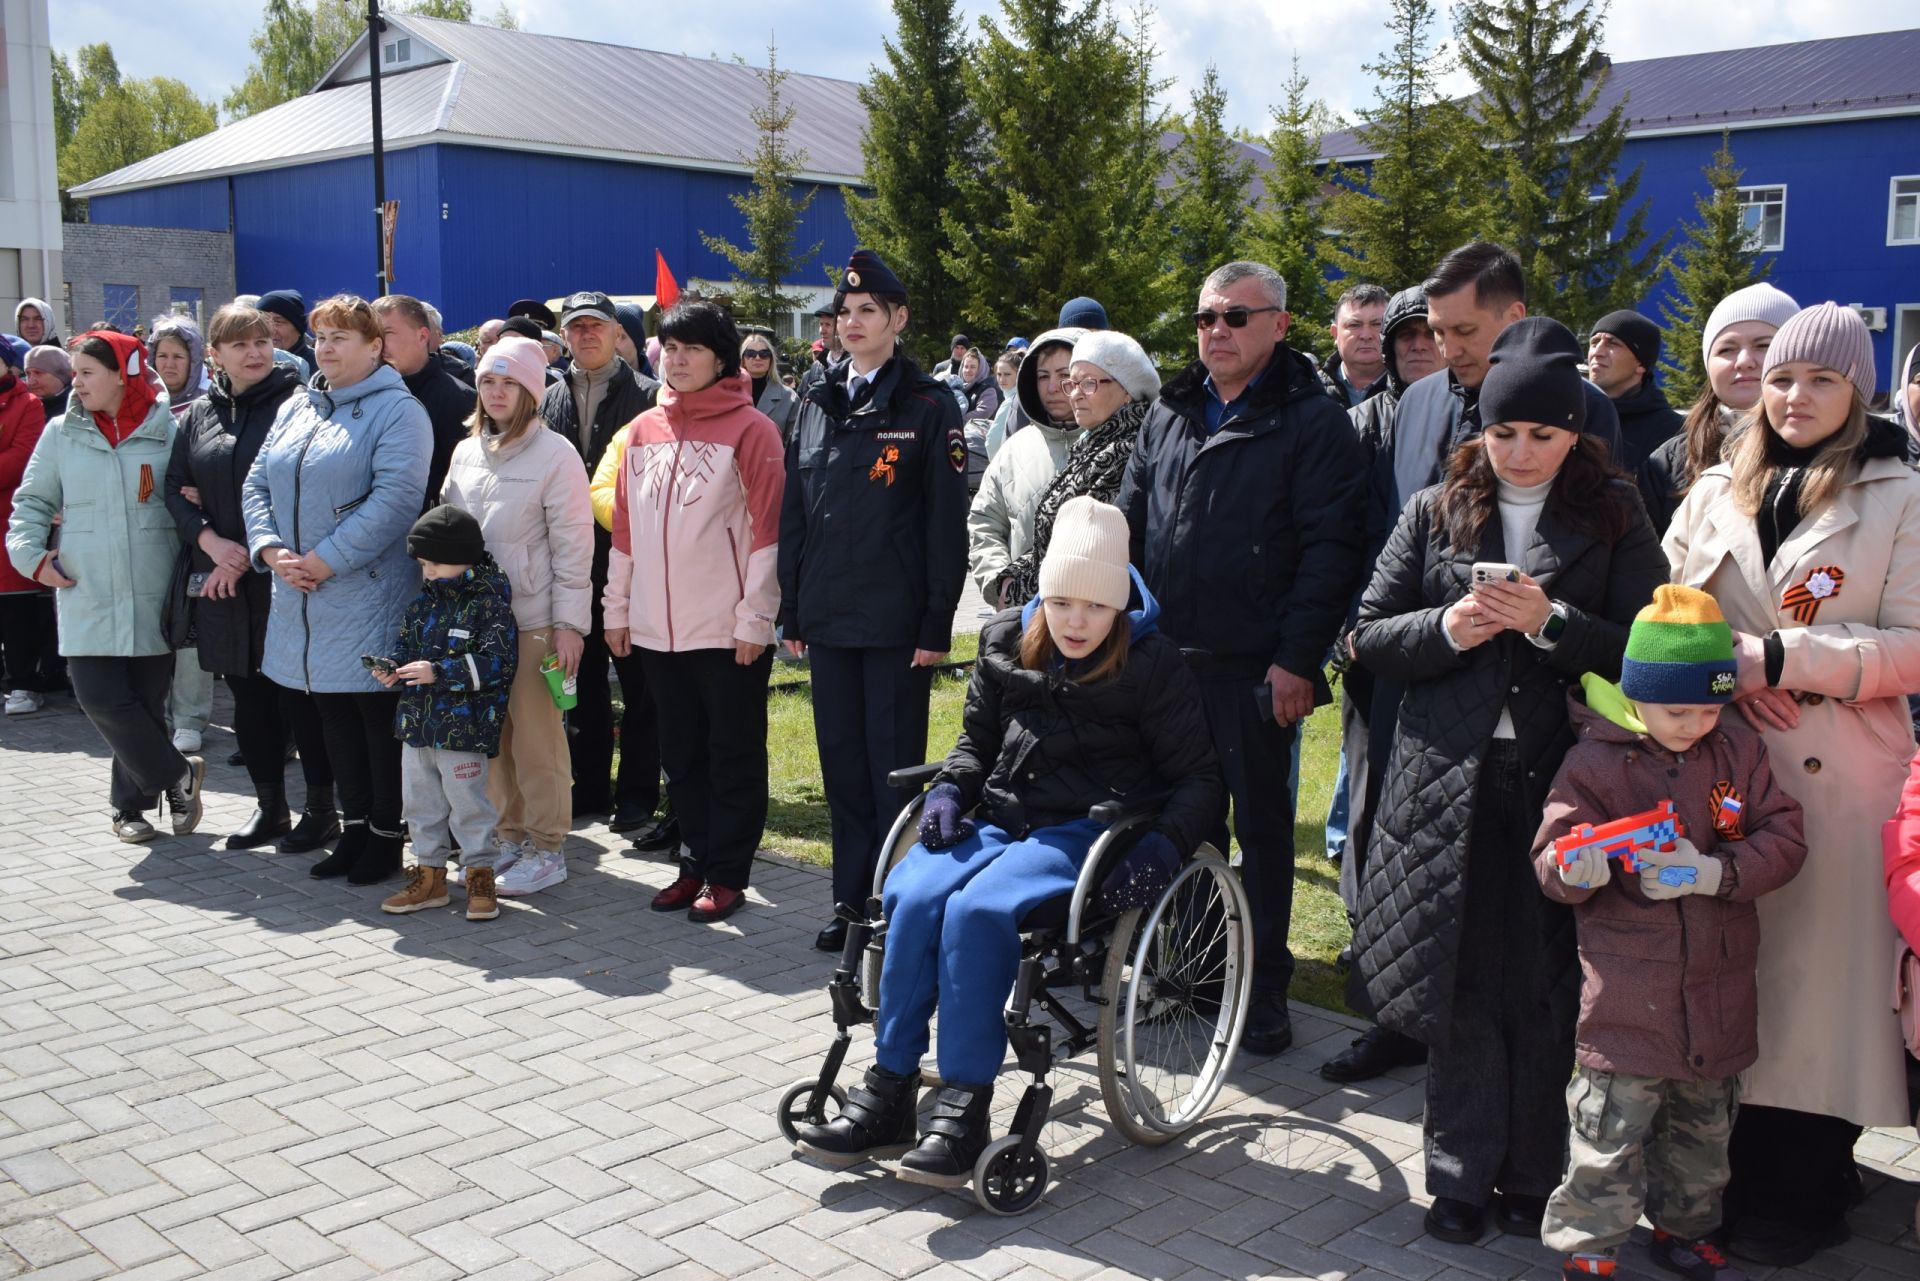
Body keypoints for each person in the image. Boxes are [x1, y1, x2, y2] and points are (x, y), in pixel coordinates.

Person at [1350, 316, 1668, 1245]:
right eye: (1504, 432)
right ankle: (1456, 1172)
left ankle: (1533, 1173)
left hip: (1562, 780)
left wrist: (1552, 621)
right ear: (1479, 431)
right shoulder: (1434, 508)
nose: (1522, 451)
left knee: (1545, 981)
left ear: (1576, 433)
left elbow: (1649, 653)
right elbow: (1367, 637)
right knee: (1458, 982)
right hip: (1444, 778)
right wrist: (1452, 628)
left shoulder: (1613, 511)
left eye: (1544, 433)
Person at [792, 497, 1222, 1179]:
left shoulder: (1154, 664)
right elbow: (975, 744)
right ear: (1043, 593)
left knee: (978, 911)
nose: (1076, 621)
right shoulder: (1002, 640)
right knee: (912, 888)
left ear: (1119, 606)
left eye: (1095, 605)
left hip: (1088, 828)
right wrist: (947, 792)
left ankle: (965, 1103)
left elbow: (1199, 777)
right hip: (999, 814)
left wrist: (1163, 844)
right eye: (1062, 601)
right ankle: (890, 1085)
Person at [1663, 302, 1920, 1266]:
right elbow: (1671, 609)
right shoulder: (1715, 486)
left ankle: (1807, 1189)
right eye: (1779, 378)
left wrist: (1783, 657)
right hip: (1725, 763)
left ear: (1857, 387)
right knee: (1736, 983)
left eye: (1818, 378)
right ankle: (1714, 1180)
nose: (1794, 394)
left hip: (1841, 776)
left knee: (1822, 997)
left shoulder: (1897, 490)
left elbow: (1916, 644)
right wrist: (1730, 681)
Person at [1118, 260, 1366, 1057]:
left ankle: (1261, 988)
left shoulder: (1313, 419)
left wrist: (1298, 659)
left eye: (1234, 316)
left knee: (1259, 832)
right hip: (1162, 663)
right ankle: (1189, 972)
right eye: (1204, 319)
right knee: (1176, 822)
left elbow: (1333, 551)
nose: (1215, 332)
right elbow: (1126, 520)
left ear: (1280, 324)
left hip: (1256, 670)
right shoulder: (1170, 409)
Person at [1533, 585, 1806, 1281]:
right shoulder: (1594, 763)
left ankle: (1686, 1227)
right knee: (1607, 1133)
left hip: (1715, 995)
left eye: (1710, 707)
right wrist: (1579, 866)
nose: (1692, 723)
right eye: (1675, 709)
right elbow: (1552, 858)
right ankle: (1588, 1242)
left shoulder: (1738, 752)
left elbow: (1784, 836)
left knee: (1704, 1134)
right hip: (1625, 999)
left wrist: (1714, 872)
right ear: (1636, 695)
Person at [778, 249, 969, 953]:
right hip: (828, 619)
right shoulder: (816, 401)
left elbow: (943, 526)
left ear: (898, 319)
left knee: (892, 773)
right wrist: (792, 609)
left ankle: (893, 905)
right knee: (843, 772)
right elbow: (796, 513)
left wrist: (935, 620)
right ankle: (849, 901)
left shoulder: (927, 406)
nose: (852, 323)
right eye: (844, 313)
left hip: (894, 625)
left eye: (867, 311)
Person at [604, 301, 785, 924]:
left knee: (731, 752)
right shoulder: (644, 429)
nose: (676, 361)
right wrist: (617, 610)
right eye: (668, 349)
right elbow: (624, 532)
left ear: (721, 357)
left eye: (691, 350)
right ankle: (693, 862)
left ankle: (728, 872)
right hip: (656, 629)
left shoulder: (752, 429)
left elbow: (769, 533)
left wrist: (755, 619)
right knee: (679, 753)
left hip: (725, 628)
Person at [243, 295, 431, 884]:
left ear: (376, 346)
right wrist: (270, 549)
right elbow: (257, 482)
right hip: (300, 593)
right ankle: (351, 831)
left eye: (340, 338)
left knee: (374, 717)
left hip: (365, 592)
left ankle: (383, 836)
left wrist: (325, 560)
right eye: (320, 337)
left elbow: (396, 501)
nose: (324, 348)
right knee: (329, 714)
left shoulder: (400, 412)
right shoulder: (300, 404)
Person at [5, 332, 206, 842]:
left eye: (89, 371)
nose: (79, 381)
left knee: (142, 706)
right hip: (85, 588)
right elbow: (28, 506)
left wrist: (197, 494)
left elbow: (189, 499)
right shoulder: (60, 433)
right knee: (98, 697)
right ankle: (178, 775)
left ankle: (129, 809)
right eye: (75, 372)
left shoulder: (169, 432)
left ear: (123, 374)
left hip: (153, 593)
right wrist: (33, 560)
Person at [1322, 286, 1449, 1086]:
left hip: (1458, 656)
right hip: (1377, 651)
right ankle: (1379, 982)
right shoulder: (1366, 426)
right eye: (1400, 337)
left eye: (1421, 335)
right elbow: (1342, 533)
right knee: (1370, 814)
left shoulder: (1471, 419)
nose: (1408, 347)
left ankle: (1436, 996)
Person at [166, 304, 336, 851]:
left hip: (284, 575)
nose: (256, 352)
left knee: (300, 700)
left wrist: (257, 551)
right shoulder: (199, 414)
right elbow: (175, 487)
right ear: (215, 355)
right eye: (240, 345)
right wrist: (213, 544)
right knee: (249, 700)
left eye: (262, 341)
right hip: (223, 580)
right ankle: (270, 809)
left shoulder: (299, 403)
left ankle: (320, 810)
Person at [439, 334, 592, 898]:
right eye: (487, 381)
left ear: (531, 391)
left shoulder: (557, 456)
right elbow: (449, 529)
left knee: (537, 740)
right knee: (493, 739)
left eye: (509, 382)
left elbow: (575, 548)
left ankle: (548, 848)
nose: (496, 392)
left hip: (535, 621)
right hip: (479, 622)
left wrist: (569, 626)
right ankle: (508, 836)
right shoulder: (466, 450)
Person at [541, 290, 663, 831]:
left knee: (640, 686)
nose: (585, 335)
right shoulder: (547, 397)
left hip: (632, 564)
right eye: (576, 327)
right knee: (580, 683)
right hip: (569, 564)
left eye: (596, 326)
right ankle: (588, 789)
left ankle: (636, 795)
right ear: (564, 336)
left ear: (618, 333)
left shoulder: (650, 396)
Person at [376, 505, 517, 921]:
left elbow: (498, 664)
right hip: (418, 726)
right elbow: (408, 650)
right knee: (420, 806)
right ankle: (429, 878)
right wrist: (395, 669)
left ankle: (480, 876)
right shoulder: (424, 604)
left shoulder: (489, 604)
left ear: (463, 556)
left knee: (470, 806)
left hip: (464, 730)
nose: (429, 571)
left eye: (435, 562)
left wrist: (438, 672)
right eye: (422, 564)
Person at [996, 330, 1159, 607]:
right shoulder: (1093, 441)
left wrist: (1016, 593)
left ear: (1127, 392)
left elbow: (1084, 555)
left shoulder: (1125, 451)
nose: (1075, 395)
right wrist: (1010, 578)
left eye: (1089, 384)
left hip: (1080, 618)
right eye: (1072, 384)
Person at [1640, 284, 1801, 536]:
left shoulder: (1835, 453)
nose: (1744, 361)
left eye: (1763, 345)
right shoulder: (1670, 462)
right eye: (1727, 349)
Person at [966, 326, 1085, 606]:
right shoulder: (1013, 451)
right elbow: (984, 524)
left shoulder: (1118, 445)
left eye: (1064, 375)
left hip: (1102, 623)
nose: (1053, 387)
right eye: (1043, 376)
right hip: (1025, 620)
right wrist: (1001, 582)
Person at [148, 314, 215, 754]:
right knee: (157, 621)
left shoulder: (207, 406)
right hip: (151, 530)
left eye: (178, 356)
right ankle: (156, 712)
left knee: (192, 625)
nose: (169, 364)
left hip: (195, 533)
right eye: (161, 356)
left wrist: (204, 493)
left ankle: (190, 716)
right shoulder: (141, 406)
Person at [373, 295, 477, 507]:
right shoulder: (360, 393)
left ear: (422, 336)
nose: (378, 343)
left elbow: (464, 485)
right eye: (372, 334)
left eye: (388, 333)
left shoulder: (459, 400)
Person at [0, 334, 50, 716]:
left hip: (9, 516)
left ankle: (24, 683)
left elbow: (20, 459)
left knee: (16, 610)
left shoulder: (27, 404)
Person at [1586, 309, 1682, 472]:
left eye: (1612, 343)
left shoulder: (1672, 431)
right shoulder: (1572, 415)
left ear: (1641, 364)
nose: (1597, 352)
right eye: (1594, 343)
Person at [1320, 283, 1390, 408]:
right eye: (1354, 325)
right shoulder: (1309, 390)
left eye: (1377, 324)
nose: (1366, 335)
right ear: (1335, 334)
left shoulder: (1410, 390)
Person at [741, 332, 798, 441]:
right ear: (743, 360)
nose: (757, 357)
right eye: (750, 353)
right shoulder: (730, 395)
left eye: (764, 353)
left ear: (771, 360)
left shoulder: (790, 398)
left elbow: (794, 444)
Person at [256, 289, 316, 372]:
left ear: (298, 329)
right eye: (264, 321)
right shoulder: (251, 364)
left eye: (278, 322)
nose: (270, 329)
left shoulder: (319, 367)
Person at [798, 302, 844, 398]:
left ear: (843, 327)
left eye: (828, 324)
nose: (821, 330)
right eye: (821, 324)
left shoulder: (855, 364)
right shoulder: (816, 367)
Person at [23, 345, 71, 422]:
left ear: (60, 375)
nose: (31, 382)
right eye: (28, 374)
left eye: (38, 373)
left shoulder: (81, 408)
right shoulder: (24, 409)